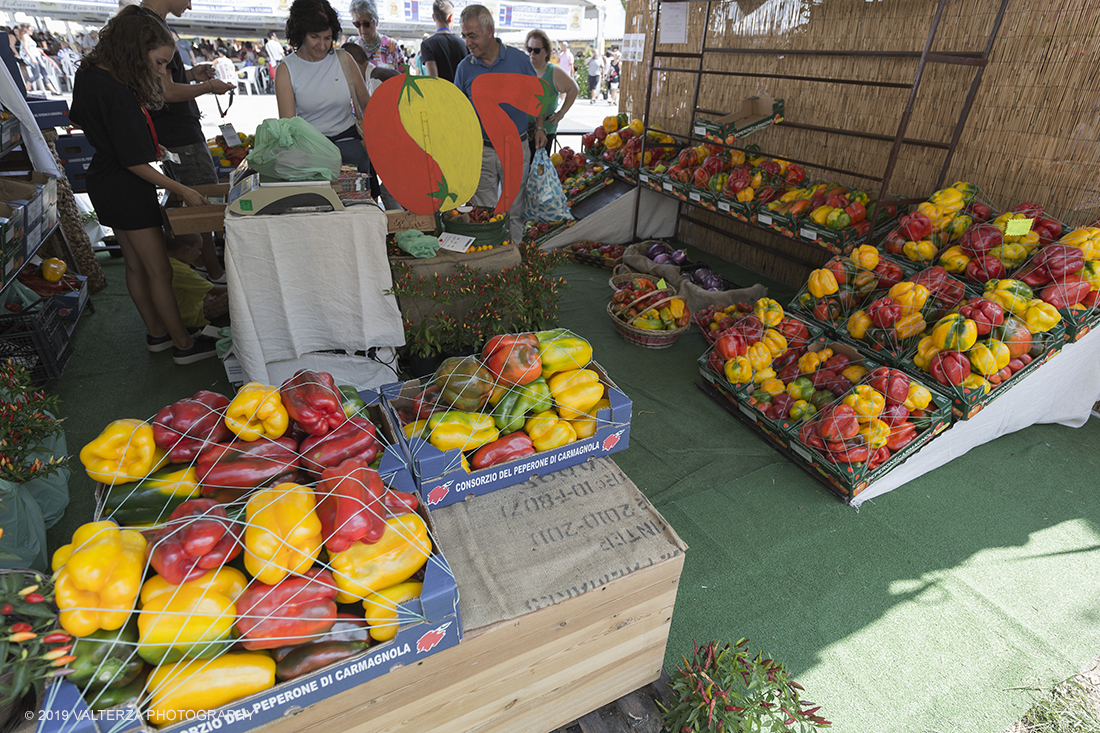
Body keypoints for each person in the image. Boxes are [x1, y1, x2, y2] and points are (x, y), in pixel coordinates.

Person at [69, 7, 217, 364]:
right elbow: (133, 161)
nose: (162, 70)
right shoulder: (119, 89)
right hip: (126, 185)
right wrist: (180, 189)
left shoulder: (88, 73)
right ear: (137, 46)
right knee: (159, 269)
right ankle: (183, 344)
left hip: (103, 179)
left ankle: (157, 334)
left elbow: (86, 121)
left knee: (135, 266)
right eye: (160, 61)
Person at [136, 0, 235, 287]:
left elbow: (163, 81)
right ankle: (214, 272)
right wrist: (207, 88)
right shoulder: (149, 26)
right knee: (200, 205)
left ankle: (204, 263)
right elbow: (163, 91)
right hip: (178, 135)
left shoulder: (150, 24)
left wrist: (191, 75)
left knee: (194, 204)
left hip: (174, 133)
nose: (190, 5)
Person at [453, 4, 545, 244]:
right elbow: (458, 114)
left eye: (472, 35)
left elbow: (537, 99)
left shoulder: (519, 61)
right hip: (480, 151)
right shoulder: (464, 69)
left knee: (514, 211)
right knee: (483, 212)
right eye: (464, 36)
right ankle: (489, 263)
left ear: (490, 31)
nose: (467, 42)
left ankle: (513, 262)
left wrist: (542, 127)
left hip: (516, 148)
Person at [276, 0, 372, 173]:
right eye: (315, 37)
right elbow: (289, 126)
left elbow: (367, 103)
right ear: (301, 34)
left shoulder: (345, 59)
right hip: (311, 151)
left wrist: (367, 141)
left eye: (327, 38)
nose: (322, 46)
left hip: (351, 146)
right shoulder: (286, 70)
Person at [524, 29, 577, 157]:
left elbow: (573, 89)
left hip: (545, 129)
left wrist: (561, 113)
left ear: (546, 51)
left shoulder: (554, 72)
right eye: (529, 49)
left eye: (536, 50)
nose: (532, 53)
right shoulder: (523, 69)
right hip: (523, 128)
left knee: (539, 170)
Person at [166, 234, 229, 329]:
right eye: (199, 249)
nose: (200, 253)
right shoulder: (184, 272)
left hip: (181, 309)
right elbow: (214, 289)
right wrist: (236, 287)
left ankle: (210, 300)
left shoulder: (168, 263)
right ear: (187, 249)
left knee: (205, 290)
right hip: (194, 315)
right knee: (232, 295)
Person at [349, 0, 405, 79]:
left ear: (376, 21)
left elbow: (404, 76)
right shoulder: (351, 44)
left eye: (366, 24)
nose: (362, 29)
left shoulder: (391, 45)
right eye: (357, 24)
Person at [420, 0, 466, 83]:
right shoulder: (464, 43)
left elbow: (433, 80)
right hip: (461, 94)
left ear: (433, 17)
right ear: (450, 17)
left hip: (442, 94)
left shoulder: (427, 45)